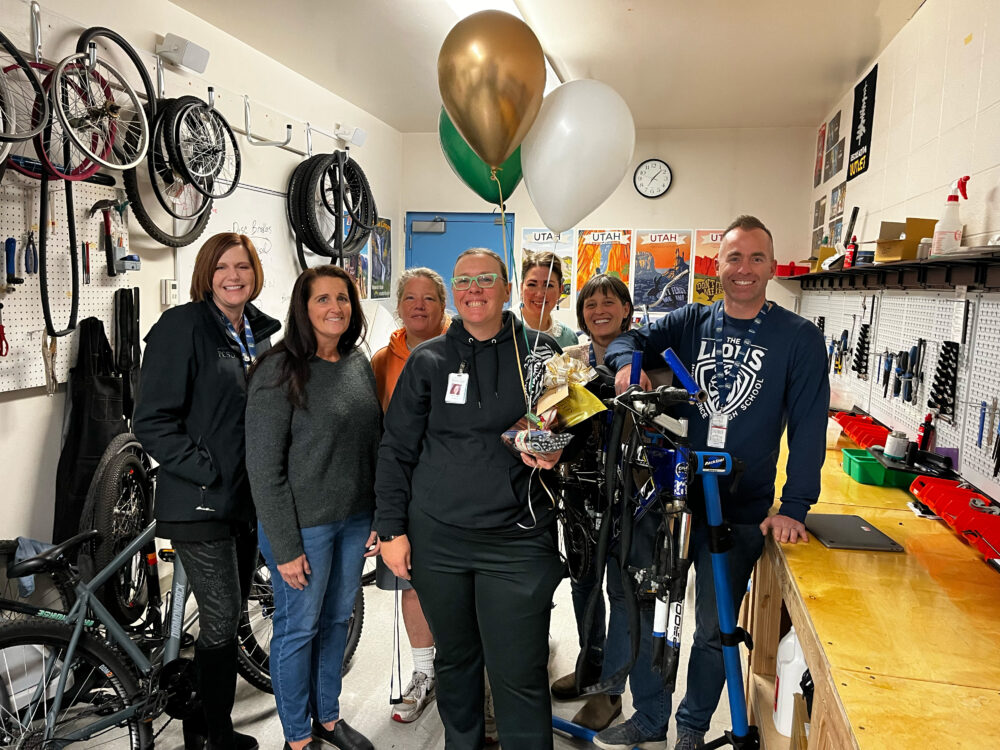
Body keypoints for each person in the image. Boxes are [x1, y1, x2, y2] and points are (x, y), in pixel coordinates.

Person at [597, 215, 829, 750]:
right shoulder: (691, 320)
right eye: (733, 258)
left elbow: (810, 425)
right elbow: (626, 336)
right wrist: (631, 360)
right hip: (674, 499)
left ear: (771, 266)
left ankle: (691, 730)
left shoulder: (798, 338)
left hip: (740, 508)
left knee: (711, 628)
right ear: (715, 266)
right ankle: (649, 718)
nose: (743, 269)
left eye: (755, 258)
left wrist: (795, 505)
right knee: (656, 613)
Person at [376, 248, 566, 750]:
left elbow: (571, 431)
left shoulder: (542, 353)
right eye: (464, 281)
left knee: (518, 669)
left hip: (519, 540)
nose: (474, 289)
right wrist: (392, 530)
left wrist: (555, 449)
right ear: (454, 294)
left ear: (507, 289)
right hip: (440, 540)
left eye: (486, 279)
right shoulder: (428, 360)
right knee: (456, 661)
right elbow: (396, 449)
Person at [134, 233, 280, 750]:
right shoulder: (182, 327)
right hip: (199, 500)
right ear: (206, 273)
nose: (233, 275)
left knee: (229, 616)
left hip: (244, 500)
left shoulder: (255, 333)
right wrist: (206, 469)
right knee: (221, 621)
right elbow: (151, 420)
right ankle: (217, 734)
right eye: (222, 266)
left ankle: (199, 720)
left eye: (243, 265)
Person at [245, 265, 379, 750]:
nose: (334, 308)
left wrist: (377, 516)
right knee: (297, 630)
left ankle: (327, 716)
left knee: (336, 622)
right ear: (303, 309)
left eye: (342, 298)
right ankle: (297, 737)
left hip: (352, 521)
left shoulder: (356, 362)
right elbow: (264, 470)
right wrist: (284, 546)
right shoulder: (278, 372)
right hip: (303, 529)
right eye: (322, 299)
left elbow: (372, 445)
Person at [551, 274, 638, 732]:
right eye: (590, 304)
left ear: (626, 308)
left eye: (609, 302)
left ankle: (610, 691)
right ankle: (590, 666)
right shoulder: (569, 361)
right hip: (580, 493)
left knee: (620, 593)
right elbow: (553, 423)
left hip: (631, 496)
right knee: (584, 585)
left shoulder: (650, 362)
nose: (599, 309)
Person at [370, 267, 449, 724]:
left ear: (444, 307)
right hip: (403, 494)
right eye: (410, 298)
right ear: (398, 305)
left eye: (429, 298)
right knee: (410, 588)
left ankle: (461, 675)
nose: (419, 306)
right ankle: (424, 675)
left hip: (452, 494)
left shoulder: (466, 349)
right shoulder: (383, 360)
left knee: (459, 591)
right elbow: (379, 435)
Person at [519, 251, 579, 347]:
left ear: (560, 290)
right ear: (522, 288)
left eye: (548, 285)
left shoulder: (568, 338)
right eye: (532, 284)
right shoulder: (501, 329)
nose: (539, 294)